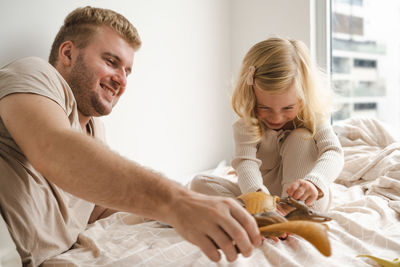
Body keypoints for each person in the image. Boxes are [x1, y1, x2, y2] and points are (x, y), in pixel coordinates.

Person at [0, 6, 262, 266]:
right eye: (111, 62)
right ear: (67, 53)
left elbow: (97, 206)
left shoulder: (93, 131)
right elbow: (53, 149)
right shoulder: (34, 73)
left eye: (127, 71)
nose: (121, 81)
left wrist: (206, 208)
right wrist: (179, 202)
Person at [190, 37, 344, 216]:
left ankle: (288, 212)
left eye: (288, 107)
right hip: (263, 197)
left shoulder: (312, 117)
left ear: (303, 97)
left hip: (303, 199)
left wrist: (315, 182)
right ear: (251, 97)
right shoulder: (247, 125)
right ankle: (263, 215)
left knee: (301, 136)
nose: (276, 117)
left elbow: (333, 151)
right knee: (198, 184)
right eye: (264, 107)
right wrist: (258, 197)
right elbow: (245, 162)